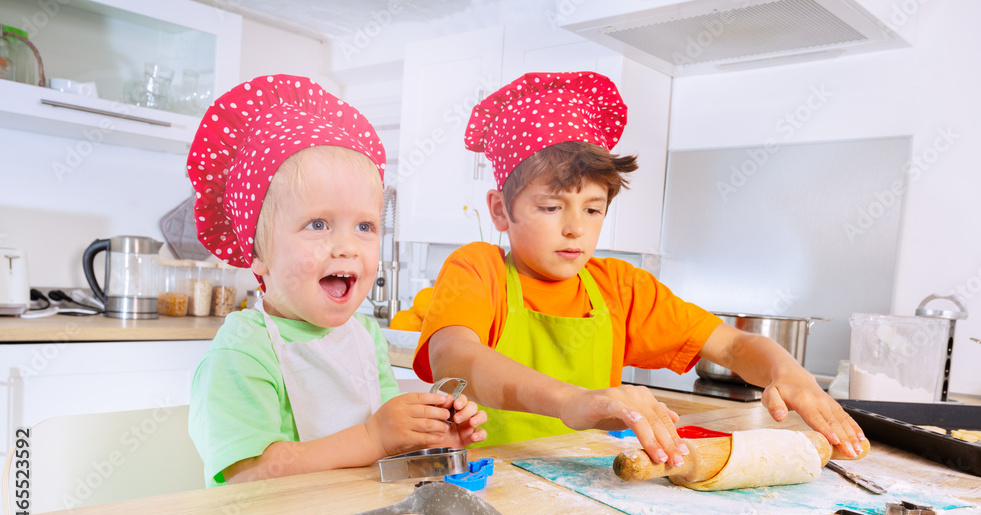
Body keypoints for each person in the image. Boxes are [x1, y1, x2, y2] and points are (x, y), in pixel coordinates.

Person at [413, 71, 864, 467]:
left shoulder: (620, 288)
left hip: (588, 487)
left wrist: (791, 376)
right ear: (499, 210)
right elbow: (455, 359)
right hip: (486, 485)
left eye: (593, 210)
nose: (575, 229)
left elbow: (734, 347)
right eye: (551, 207)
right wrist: (572, 401)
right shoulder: (477, 269)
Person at [187, 74, 486, 486]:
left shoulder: (363, 335)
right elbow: (248, 476)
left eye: (365, 226)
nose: (347, 246)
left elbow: (386, 448)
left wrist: (430, 439)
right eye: (318, 224)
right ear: (257, 255)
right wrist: (373, 436)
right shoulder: (242, 351)